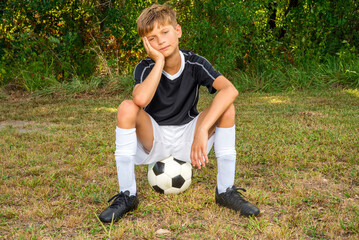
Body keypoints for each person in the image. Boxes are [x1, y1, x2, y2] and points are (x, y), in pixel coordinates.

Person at [99, 3, 260, 223]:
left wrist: (202, 129)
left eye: (165, 32)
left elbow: (230, 89)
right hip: (154, 138)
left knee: (227, 108)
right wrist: (159, 62)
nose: (161, 41)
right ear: (146, 44)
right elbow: (140, 100)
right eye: (152, 38)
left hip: (189, 135)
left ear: (178, 31)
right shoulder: (145, 67)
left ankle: (225, 191)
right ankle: (128, 195)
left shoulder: (195, 63)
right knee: (127, 107)